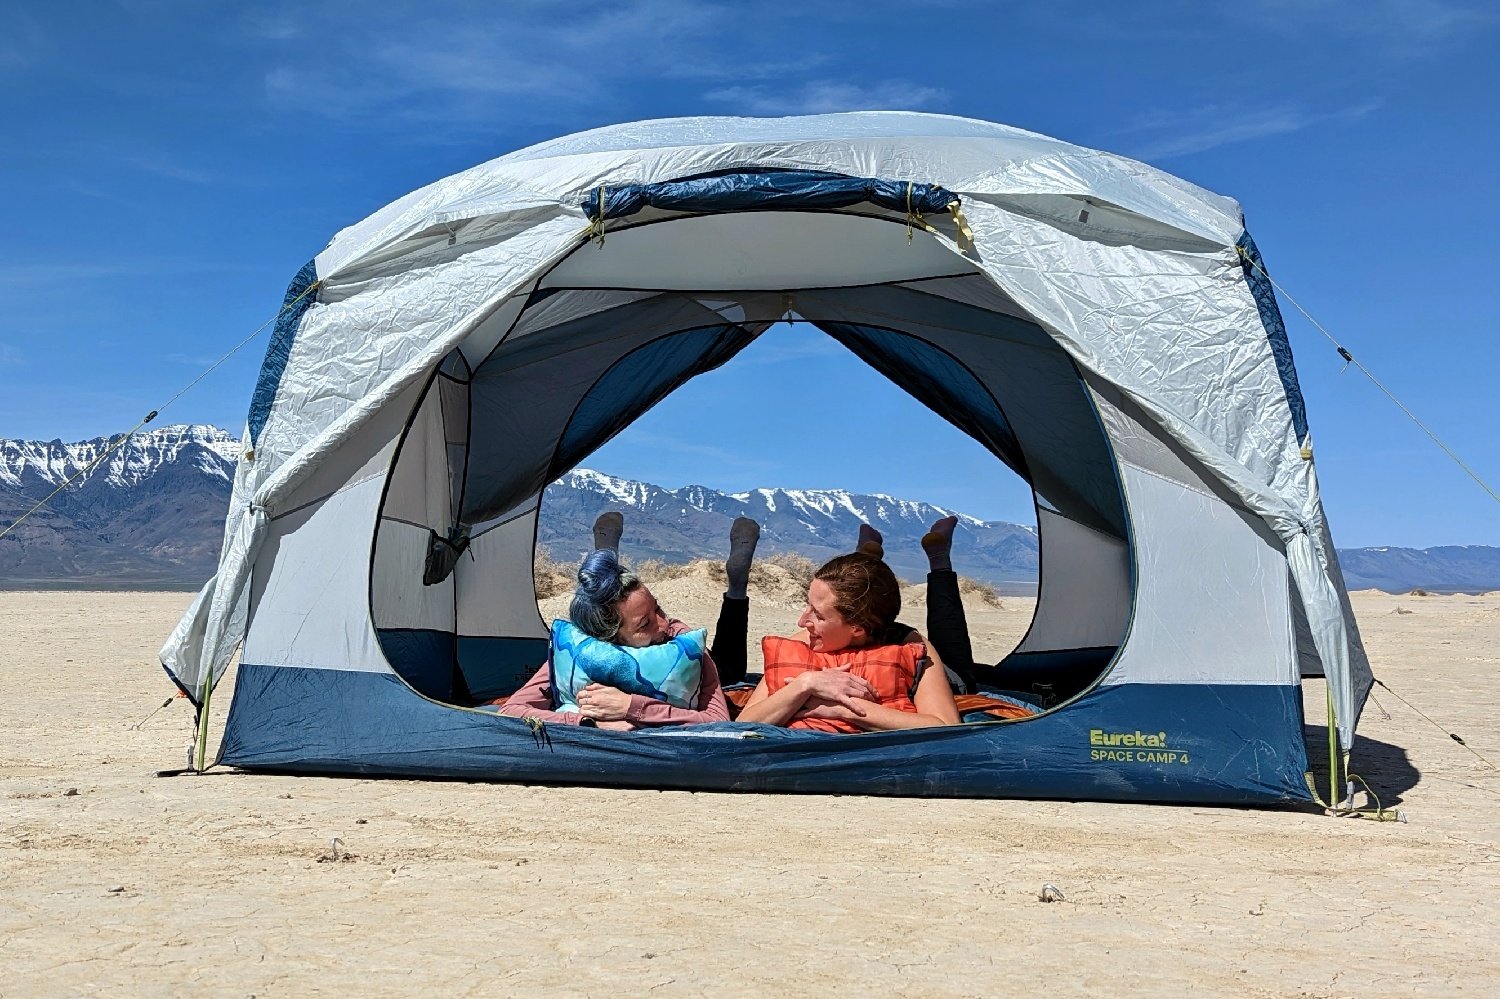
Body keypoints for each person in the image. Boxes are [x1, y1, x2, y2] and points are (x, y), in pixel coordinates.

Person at [497, 514, 759, 730]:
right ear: (607, 638)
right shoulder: (580, 652)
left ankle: (737, 587)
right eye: (645, 624)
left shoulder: (680, 641)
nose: (663, 624)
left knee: (730, 672)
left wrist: (631, 707)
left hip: (709, 668)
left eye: (658, 608)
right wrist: (590, 722)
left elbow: (716, 719)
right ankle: (606, 561)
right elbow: (512, 709)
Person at [734, 544, 961, 732]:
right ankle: (866, 555)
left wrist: (843, 708)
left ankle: (940, 562)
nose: (802, 621)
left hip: (953, 677)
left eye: (819, 615)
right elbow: (745, 722)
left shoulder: (910, 645)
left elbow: (946, 726)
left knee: (958, 657)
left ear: (858, 629)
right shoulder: (804, 641)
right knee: (862, 588)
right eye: (808, 605)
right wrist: (806, 683)